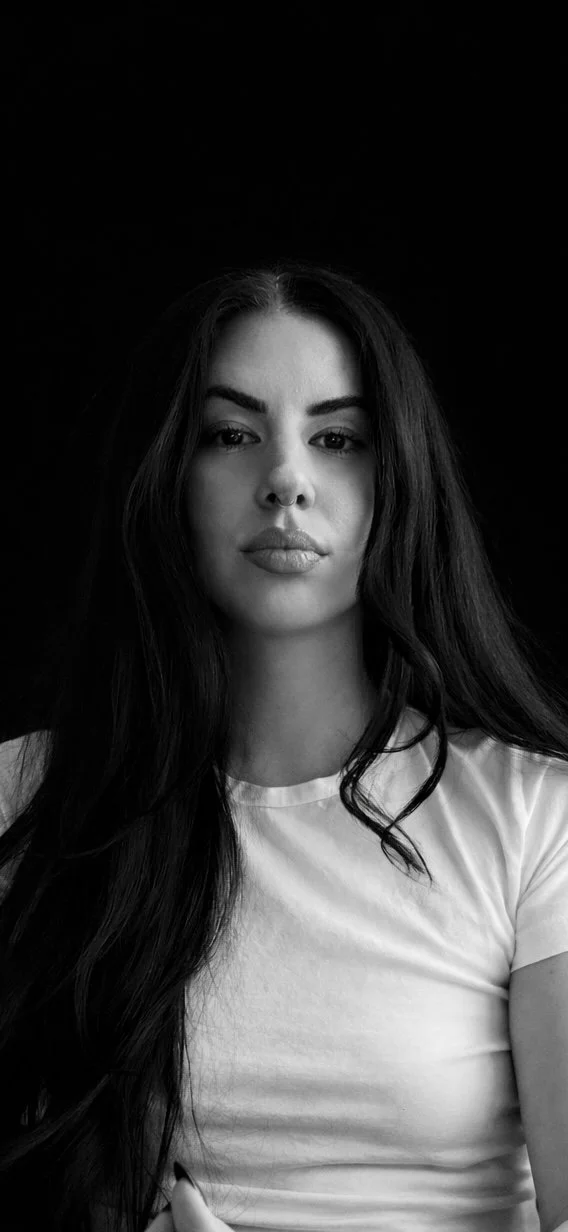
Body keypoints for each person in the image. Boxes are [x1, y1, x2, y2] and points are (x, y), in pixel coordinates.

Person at [2, 258, 568, 1232]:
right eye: (230, 434)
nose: (286, 482)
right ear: (166, 476)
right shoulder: (25, 799)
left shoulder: (532, 817)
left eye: (337, 437)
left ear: (401, 480)